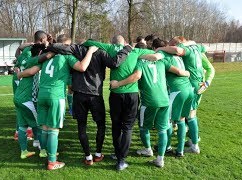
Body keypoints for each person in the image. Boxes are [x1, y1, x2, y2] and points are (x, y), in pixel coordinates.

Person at [17, 34, 99, 170]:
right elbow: (82, 67)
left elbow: (32, 70)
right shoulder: (67, 56)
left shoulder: (47, 56)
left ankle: (45, 152)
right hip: (56, 96)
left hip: (42, 95)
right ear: (66, 45)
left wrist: (19, 74)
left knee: (44, 128)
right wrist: (90, 51)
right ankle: (52, 161)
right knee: (53, 129)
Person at [45, 37, 132, 166]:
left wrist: (51, 46)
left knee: (82, 125)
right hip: (95, 95)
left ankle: (88, 156)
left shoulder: (77, 49)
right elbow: (115, 63)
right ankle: (97, 154)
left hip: (79, 94)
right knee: (100, 125)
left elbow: (56, 46)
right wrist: (127, 49)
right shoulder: (100, 51)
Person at [82, 35, 159, 170]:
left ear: (112, 42)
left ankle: (118, 155)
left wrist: (98, 45)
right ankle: (121, 160)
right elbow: (157, 54)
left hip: (116, 95)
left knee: (116, 126)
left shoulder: (110, 48)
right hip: (132, 95)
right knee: (127, 127)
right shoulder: (135, 51)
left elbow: (88, 42)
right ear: (125, 42)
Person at [110, 39, 190, 168]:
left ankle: (147, 149)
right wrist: (187, 73)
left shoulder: (140, 61)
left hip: (149, 101)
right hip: (164, 100)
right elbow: (179, 71)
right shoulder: (161, 60)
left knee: (143, 127)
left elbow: (136, 76)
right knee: (162, 129)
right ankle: (160, 159)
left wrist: (117, 84)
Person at [156, 36, 215, 154]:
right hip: (196, 84)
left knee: (185, 117)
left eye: (171, 45)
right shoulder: (196, 48)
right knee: (189, 115)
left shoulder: (183, 50)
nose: (170, 47)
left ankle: (192, 145)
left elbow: (210, 68)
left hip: (191, 85)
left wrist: (161, 49)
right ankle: (192, 142)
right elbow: (206, 47)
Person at [13, 30, 49, 159]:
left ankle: (24, 152)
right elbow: (46, 56)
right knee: (39, 125)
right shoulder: (34, 59)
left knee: (22, 126)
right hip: (28, 98)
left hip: (18, 96)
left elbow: (18, 55)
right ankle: (44, 150)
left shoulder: (25, 57)